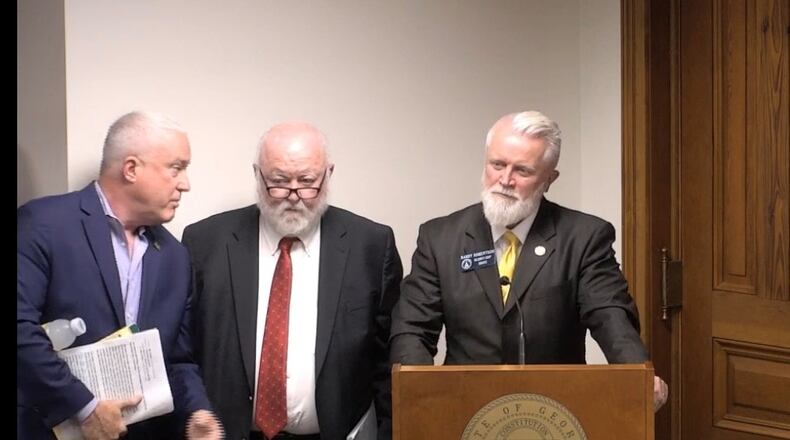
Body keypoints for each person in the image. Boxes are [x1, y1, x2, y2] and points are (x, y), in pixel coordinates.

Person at [389, 110, 669, 411]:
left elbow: (610, 315)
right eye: (497, 165)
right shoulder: (440, 238)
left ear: (549, 179)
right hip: (463, 408)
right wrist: (421, 396)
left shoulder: (584, 237)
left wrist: (637, 374)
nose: (505, 180)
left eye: (522, 171)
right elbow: (413, 329)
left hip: (554, 411)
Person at [182, 121, 402, 440]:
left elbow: (387, 362)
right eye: (279, 182)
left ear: (328, 174)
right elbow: (184, 351)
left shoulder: (370, 245)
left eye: (308, 182)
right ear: (257, 175)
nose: (294, 195)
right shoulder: (205, 242)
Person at [17, 111, 223, 440]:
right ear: (131, 169)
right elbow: (20, 328)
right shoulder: (43, 224)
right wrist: (85, 408)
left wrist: (196, 411)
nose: (185, 184)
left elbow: (177, 360)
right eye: (176, 168)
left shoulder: (175, 257)